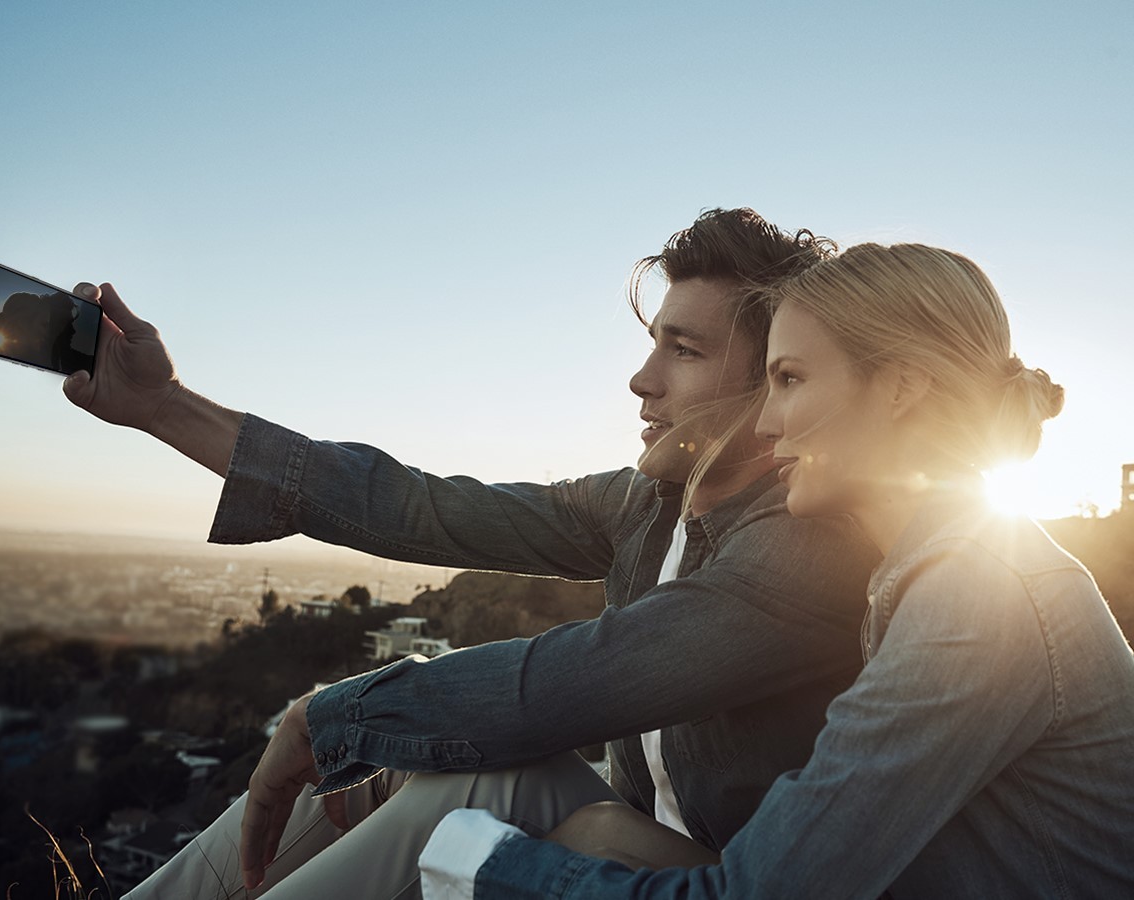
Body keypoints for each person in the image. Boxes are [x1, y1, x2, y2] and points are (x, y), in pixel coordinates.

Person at [63, 209, 881, 899]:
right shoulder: (646, 504)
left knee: (462, 782)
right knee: (399, 778)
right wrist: (162, 407)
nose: (641, 378)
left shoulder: (808, 545)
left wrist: (336, 716)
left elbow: (568, 683)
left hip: (728, 882)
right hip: (635, 841)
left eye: (684, 350)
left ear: (776, 381)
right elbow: (417, 505)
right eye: (652, 342)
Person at [421, 242, 1134, 899]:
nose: (766, 424)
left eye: (790, 379)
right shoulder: (934, 573)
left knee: (467, 828)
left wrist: (479, 864)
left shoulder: (980, 599)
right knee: (572, 822)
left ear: (901, 388)